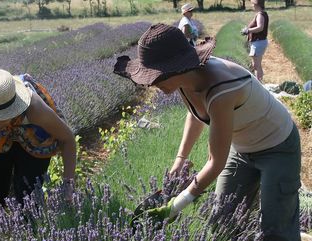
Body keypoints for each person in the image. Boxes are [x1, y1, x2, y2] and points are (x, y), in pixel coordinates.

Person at [114, 23, 301, 241]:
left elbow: (215, 162)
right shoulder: (185, 81)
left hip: (278, 147)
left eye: (155, 78)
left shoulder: (221, 90)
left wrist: (176, 205)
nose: (151, 85)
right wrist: (180, 158)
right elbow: (195, 114)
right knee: (222, 219)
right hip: (242, 149)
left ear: (175, 68)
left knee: (275, 229)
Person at [0, 69, 76, 221]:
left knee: (29, 195)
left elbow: (67, 139)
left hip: (33, 135)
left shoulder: (35, 109)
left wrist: (68, 184)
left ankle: (31, 227)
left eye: (0, 118)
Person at [241, 0, 269, 82]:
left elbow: (260, 27)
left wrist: (248, 30)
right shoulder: (261, 13)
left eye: (253, 4)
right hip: (258, 42)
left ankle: (259, 84)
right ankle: (257, 82)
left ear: (257, 5)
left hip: (258, 42)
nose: (252, 6)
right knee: (256, 65)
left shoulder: (260, 15)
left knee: (257, 66)